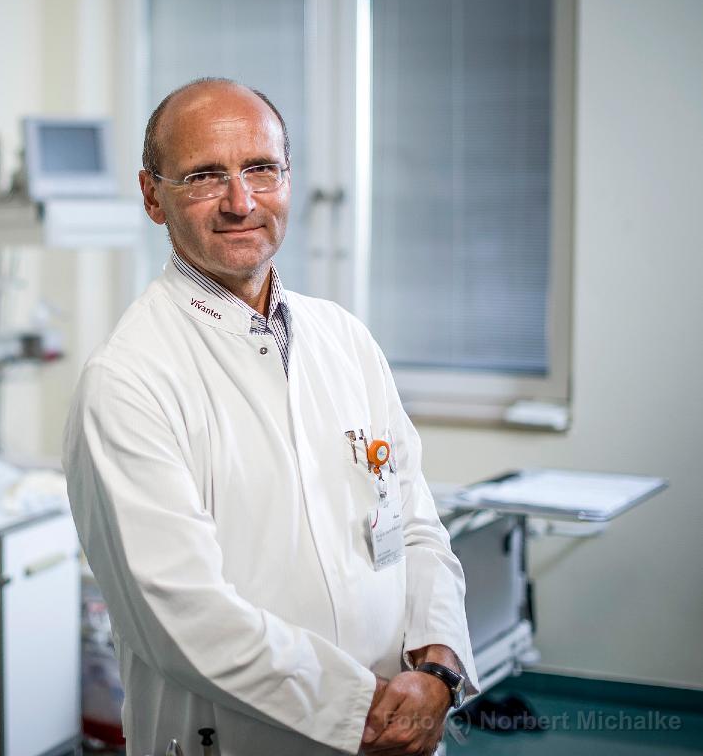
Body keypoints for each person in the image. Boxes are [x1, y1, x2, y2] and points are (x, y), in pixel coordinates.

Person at [63, 78, 479, 756]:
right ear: (152, 196)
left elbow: (416, 527)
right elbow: (183, 618)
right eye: (204, 176)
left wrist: (438, 669)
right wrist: (363, 713)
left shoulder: (345, 339)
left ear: (288, 178)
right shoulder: (128, 381)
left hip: (401, 727)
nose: (241, 201)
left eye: (261, 169)